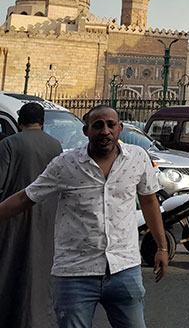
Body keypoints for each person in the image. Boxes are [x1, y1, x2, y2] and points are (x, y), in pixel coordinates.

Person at [0, 104, 169, 327]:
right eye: (98, 125)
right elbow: (25, 197)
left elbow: (148, 200)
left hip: (124, 269)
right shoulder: (66, 164)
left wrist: (162, 247)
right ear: (86, 130)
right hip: (75, 274)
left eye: (111, 125)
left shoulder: (137, 158)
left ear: (120, 129)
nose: (105, 131)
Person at [0, 102, 63, 328]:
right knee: (40, 270)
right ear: (43, 121)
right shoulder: (56, 146)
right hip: (47, 217)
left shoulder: (9, 144)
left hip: (11, 217)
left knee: (10, 266)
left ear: (19, 121)